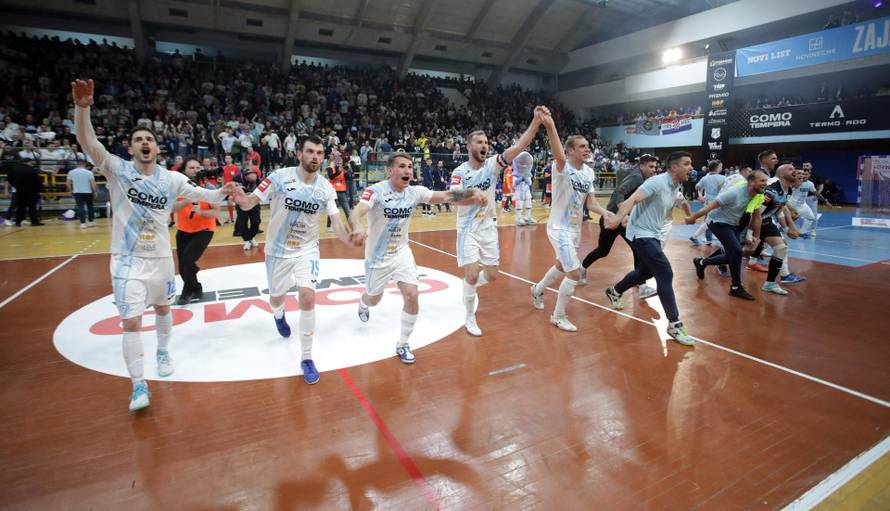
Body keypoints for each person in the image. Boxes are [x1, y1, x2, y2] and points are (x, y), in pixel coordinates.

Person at [72, 79, 237, 412]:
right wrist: (83, 108)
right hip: (126, 260)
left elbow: (204, 196)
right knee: (131, 322)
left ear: (157, 148)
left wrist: (224, 190)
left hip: (161, 258)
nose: (144, 143)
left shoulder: (171, 178)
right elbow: (87, 141)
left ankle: (162, 351)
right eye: (138, 140)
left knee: (163, 310)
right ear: (130, 148)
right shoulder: (117, 170)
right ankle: (138, 385)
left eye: (149, 139)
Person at [231, 135, 357, 385]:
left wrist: (349, 238)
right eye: (310, 152)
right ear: (299, 153)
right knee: (276, 297)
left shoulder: (325, 187)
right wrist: (239, 197)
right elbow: (250, 203)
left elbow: (337, 222)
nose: (315, 157)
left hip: (306, 250)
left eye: (320, 153)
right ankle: (278, 314)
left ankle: (307, 357)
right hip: (277, 251)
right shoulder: (279, 177)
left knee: (308, 297)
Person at [349, 153, 487, 364]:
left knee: (412, 295)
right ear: (390, 171)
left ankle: (403, 343)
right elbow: (356, 212)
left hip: (401, 252)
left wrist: (472, 193)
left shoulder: (415, 192)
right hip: (377, 257)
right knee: (374, 298)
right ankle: (363, 301)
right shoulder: (375, 191)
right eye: (402, 166)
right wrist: (358, 226)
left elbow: (447, 196)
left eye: (410, 167)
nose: (407, 171)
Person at [450, 108, 544, 337]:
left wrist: (536, 122)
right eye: (479, 142)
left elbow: (519, 147)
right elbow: (454, 197)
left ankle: (468, 288)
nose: (484, 145)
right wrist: (473, 195)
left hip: (489, 227)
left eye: (486, 142)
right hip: (467, 229)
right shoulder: (460, 172)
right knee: (472, 273)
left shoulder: (494, 164)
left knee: (491, 275)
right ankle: (469, 317)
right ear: (469, 146)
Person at [530, 109, 614, 332]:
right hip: (559, 228)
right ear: (570, 151)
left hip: (575, 229)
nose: (587, 149)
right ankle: (558, 316)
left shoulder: (589, 173)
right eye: (582, 146)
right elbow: (557, 153)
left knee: (560, 265)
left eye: (588, 146)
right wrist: (550, 126)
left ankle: (537, 289)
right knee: (574, 273)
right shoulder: (561, 167)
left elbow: (591, 204)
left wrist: (604, 213)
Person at [603, 151, 696, 346]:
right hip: (640, 234)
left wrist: (687, 216)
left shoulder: (675, 186)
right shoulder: (657, 182)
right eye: (686, 164)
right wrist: (618, 218)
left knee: (644, 272)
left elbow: (674, 205)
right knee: (665, 272)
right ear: (674, 167)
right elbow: (632, 200)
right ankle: (674, 323)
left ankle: (615, 290)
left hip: (652, 233)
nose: (691, 167)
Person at [578, 154, 659, 300]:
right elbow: (618, 193)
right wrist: (623, 214)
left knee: (637, 249)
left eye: (655, 167)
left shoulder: (641, 177)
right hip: (613, 218)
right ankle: (582, 269)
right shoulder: (637, 177)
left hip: (622, 220)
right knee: (603, 250)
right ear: (641, 166)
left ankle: (641, 284)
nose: (654, 169)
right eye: (650, 166)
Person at [686, 170, 769, 300]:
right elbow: (710, 207)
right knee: (736, 251)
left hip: (735, 225)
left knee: (733, 255)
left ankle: (702, 262)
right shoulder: (734, 193)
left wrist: (756, 236)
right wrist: (693, 217)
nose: (766, 183)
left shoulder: (758, 194)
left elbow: (757, 216)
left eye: (766, 180)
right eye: (762, 180)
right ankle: (736, 287)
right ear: (751, 182)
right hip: (718, 222)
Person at [173, 157, 221, 305]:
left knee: (187, 260)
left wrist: (200, 211)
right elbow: (172, 208)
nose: (195, 171)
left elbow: (216, 213)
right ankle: (196, 287)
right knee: (183, 267)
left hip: (204, 229)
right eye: (191, 168)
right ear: (183, 171)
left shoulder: (209, 187)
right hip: (183, 230)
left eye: (197, 168)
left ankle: (187, 292)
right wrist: (188, 199)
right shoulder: (176, 188)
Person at [754, 163, 801, 295]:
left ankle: (770, 283)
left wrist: (787, 228)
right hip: (752, 220)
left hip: (766, 221)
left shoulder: (786, 190)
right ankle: (704, 262)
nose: (794, 171)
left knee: (781, 248)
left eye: (794, 168)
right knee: (736, 250)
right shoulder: (771, 190)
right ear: (781, 174)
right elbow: (756, 212)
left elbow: (779, 210)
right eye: (790, 169)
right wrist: (751, 234)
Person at [688, 160, 725, 246]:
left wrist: (700, 195)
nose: (721, 168)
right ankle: (695, 236)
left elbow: (697, 186)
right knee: (710, 221)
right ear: (717, 168)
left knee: (710, 220)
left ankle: (708, 239)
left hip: (708, 202)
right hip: (716, 202)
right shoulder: (723, 178)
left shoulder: (705, 178)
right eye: (721, 166)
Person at [234, 160, 262, 250]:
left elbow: (261, 190)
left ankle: (252, 237)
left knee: (256, 221)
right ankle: (246, 240)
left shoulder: (257, 178)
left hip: (254, 202)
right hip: (241, 203)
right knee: (243, 222)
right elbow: (232, 189)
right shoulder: (237, 178)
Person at [66, 159, 97, 228]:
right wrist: (94, 192)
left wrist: (70, 191)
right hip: (88, 192)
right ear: (84, 164)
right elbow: (93, 183)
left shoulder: (71, 172)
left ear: (77, 164)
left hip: (77, 192)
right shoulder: (89, 172)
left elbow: (68, 183)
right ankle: (91, 222)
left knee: (80, 207)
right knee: (90, 207)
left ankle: (82, 223)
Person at [512, 152, 536, 225]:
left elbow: (530, 183)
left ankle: (528, 218)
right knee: (519, 206)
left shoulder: (528, 174)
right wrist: (520, 179)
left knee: (529, 205)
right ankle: (518, 218)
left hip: (526, 191)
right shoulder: (515, 174)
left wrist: (525, 178)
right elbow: (514, 183)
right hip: (519, 191)